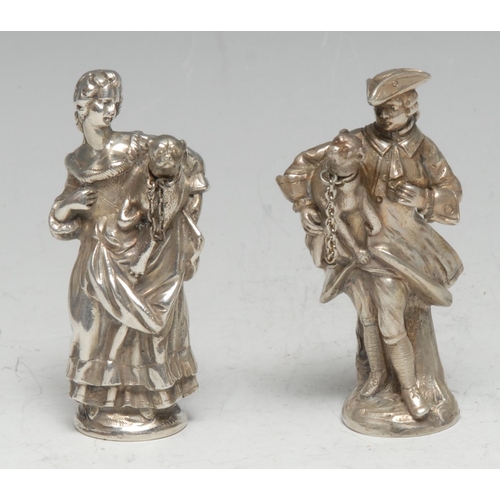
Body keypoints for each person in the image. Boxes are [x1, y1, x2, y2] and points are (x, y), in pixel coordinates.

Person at [278, 68, 462, 427]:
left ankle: (412, 387)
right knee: (367, 317)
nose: (383, 116)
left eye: (391, 109)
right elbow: (300, 168)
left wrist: (424, 198)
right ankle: (375, 379)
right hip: (356, 248)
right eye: (378, 110)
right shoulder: (356, 141)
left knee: (396, 321)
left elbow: (451, 192)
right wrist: (306, 205)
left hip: (402, 249)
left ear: (411, 108)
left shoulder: (424, 149)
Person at [49, 70, 208, 439]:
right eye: (101, 103)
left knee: (143, 334)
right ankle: (101, 400)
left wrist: (172, 216)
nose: (109, 110)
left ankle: (148, 400)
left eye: (113, 102)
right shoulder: (76, 161)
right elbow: (61, 223)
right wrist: (68, 205)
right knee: (92, 330)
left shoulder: (134, 145)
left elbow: (184, 161)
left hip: (142, 256)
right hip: (96, 258)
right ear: (82, 107)